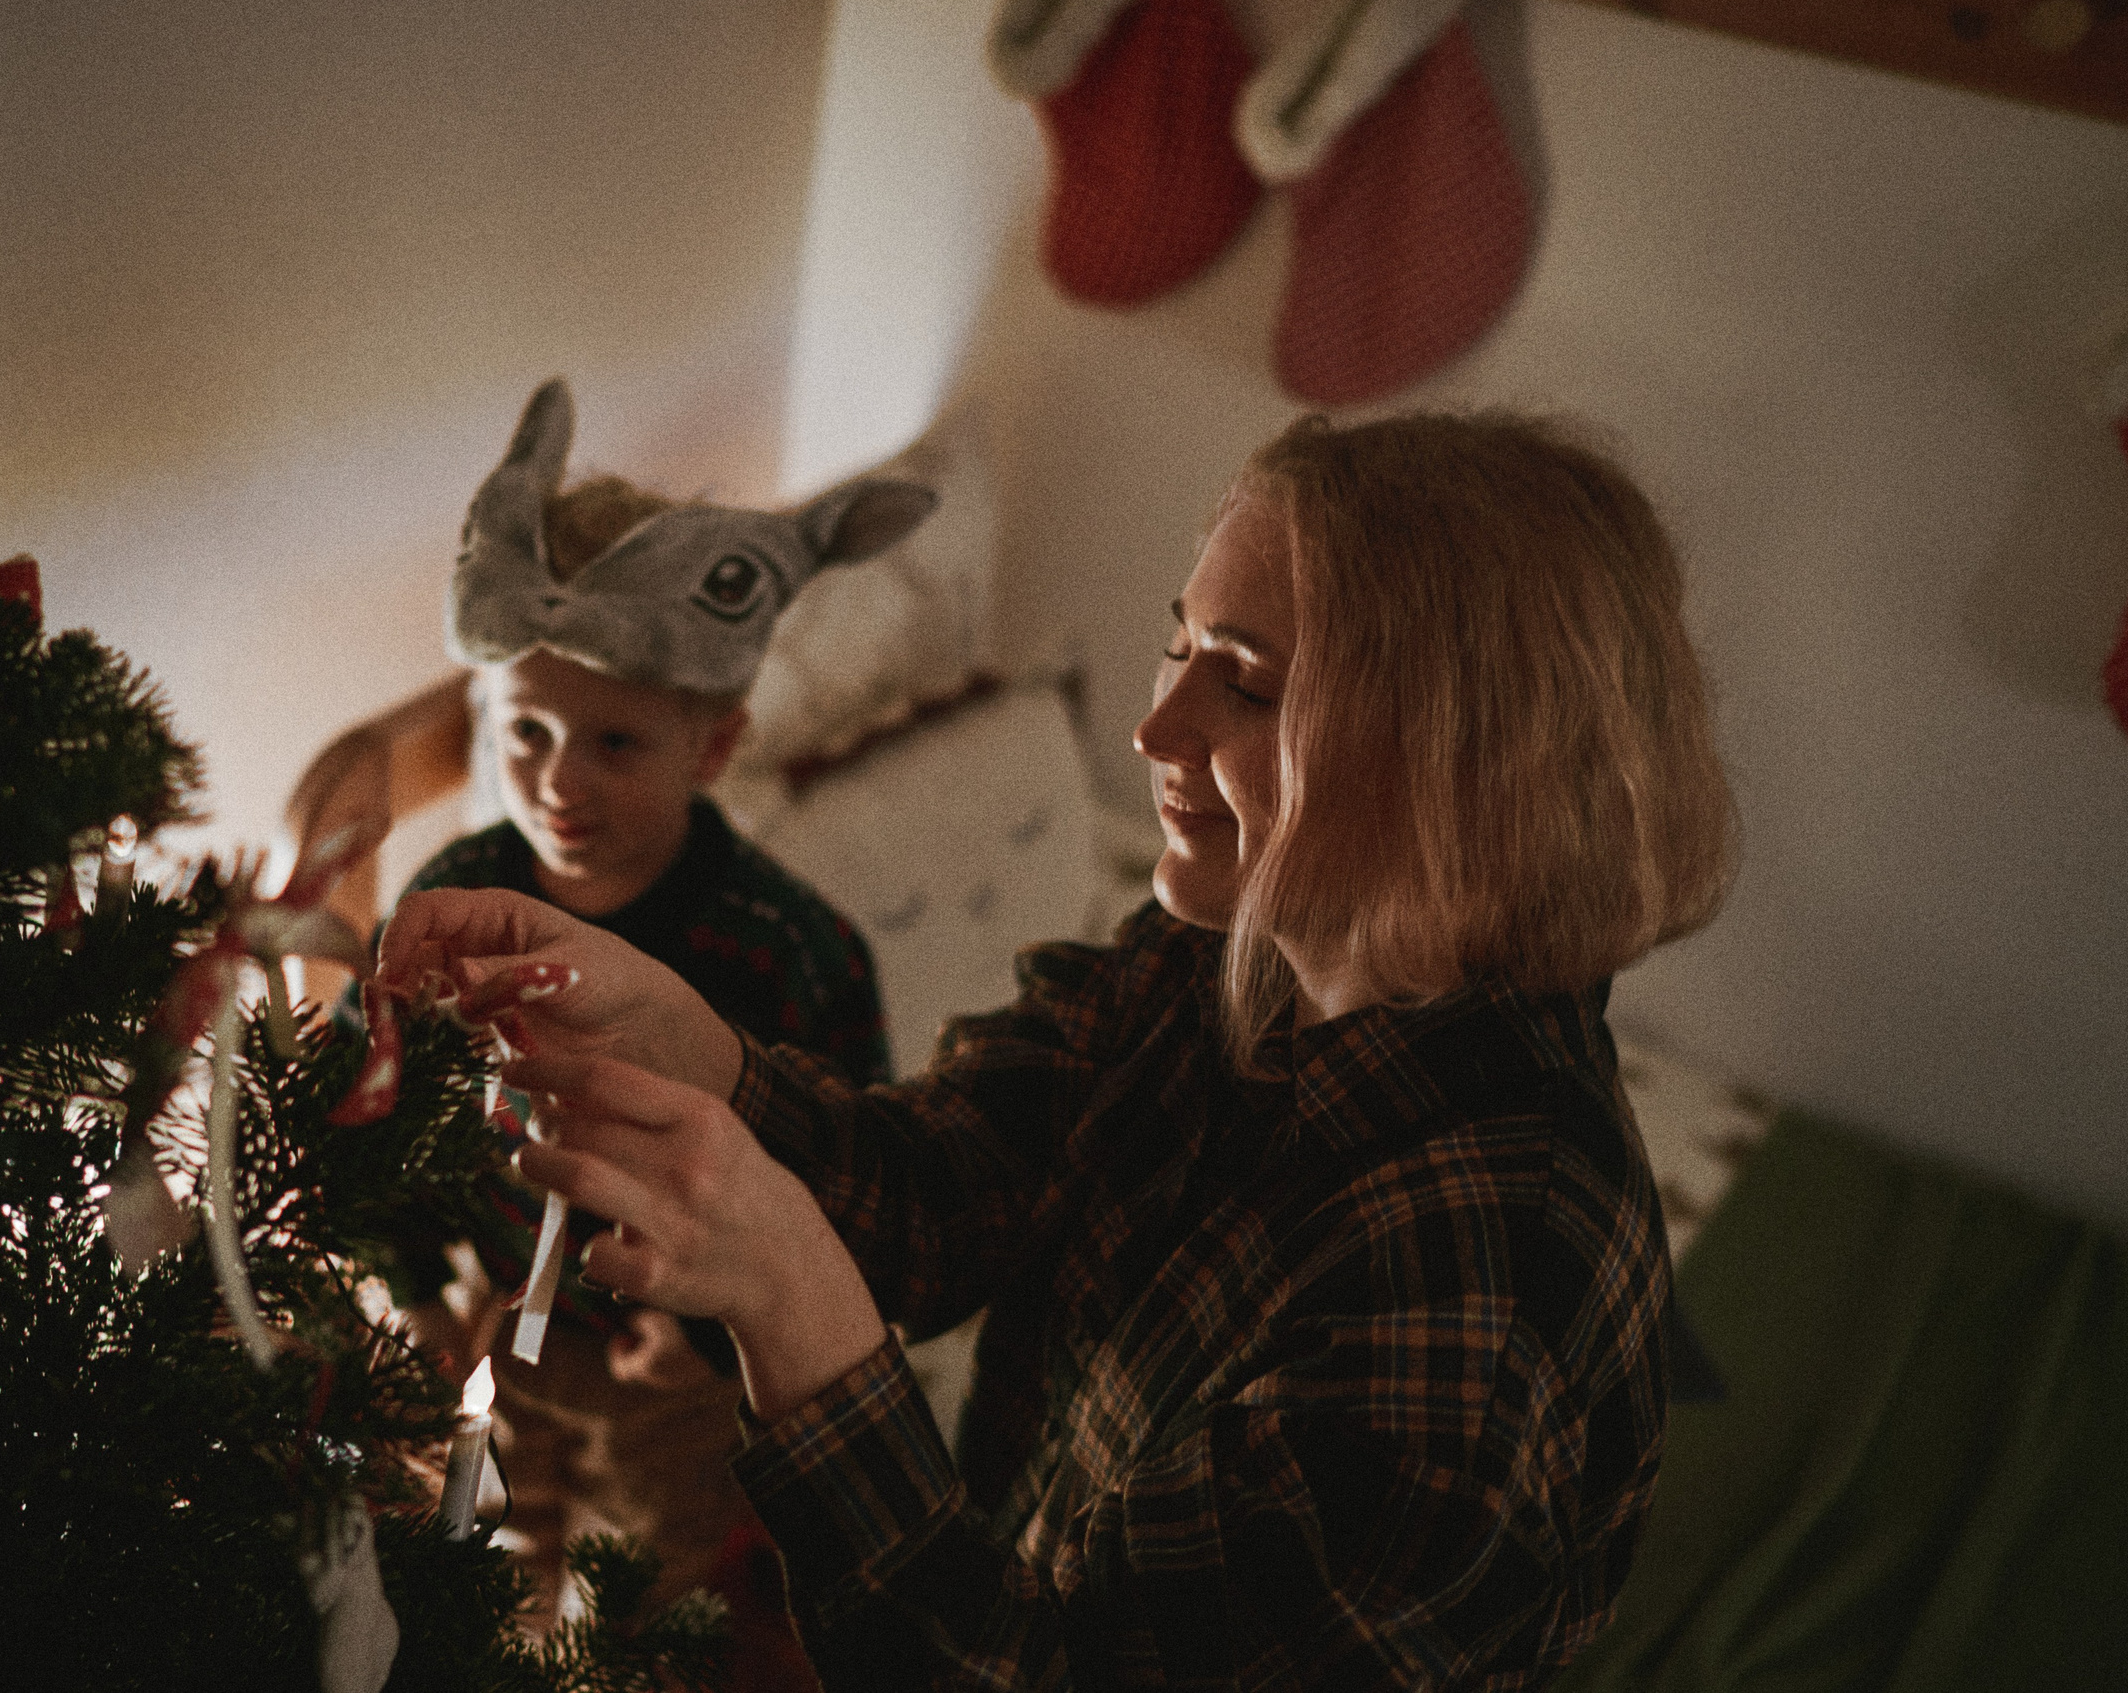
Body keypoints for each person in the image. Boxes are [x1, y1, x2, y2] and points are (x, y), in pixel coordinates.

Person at [380, 408, 1737, 1689]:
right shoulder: (1220, 954)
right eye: (1180, 645)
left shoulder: (1478, 1306)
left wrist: (795, 1296)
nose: (1157, 730)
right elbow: (945, 1184)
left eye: (1248, 685)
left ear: (1458, 765)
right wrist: (693, 1050)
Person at [297, 379, 932, 1662]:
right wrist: (416, 1290)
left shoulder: (789, 949)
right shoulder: (452, 895)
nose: (555, 780)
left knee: (668, 1591)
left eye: (616, 745)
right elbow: (390, 1101)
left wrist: (716, 1332)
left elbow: (848, 1184)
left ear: (713, 744)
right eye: (524, 728)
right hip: (493, 1323)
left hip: (675, 1376)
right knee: (484, 1566)